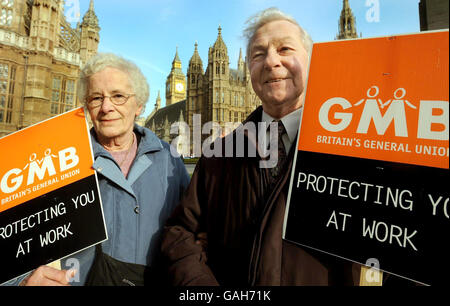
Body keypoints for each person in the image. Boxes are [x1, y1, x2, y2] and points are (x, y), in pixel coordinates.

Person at [161, 7, 360, 285]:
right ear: (248, 69)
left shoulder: (356, 149)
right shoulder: (218, 155)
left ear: (313, 60)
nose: (271, 62)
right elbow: (181, 234)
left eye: (285, 49)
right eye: (258, 54)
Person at [12, 53, 190, 286]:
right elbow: (14, 241)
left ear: (139, 105)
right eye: (96, 98)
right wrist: (22, 282)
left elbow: (193, 233)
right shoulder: (57, 161)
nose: (107, 107)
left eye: (118, 96)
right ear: (87, 106)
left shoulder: (169, 159)